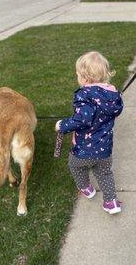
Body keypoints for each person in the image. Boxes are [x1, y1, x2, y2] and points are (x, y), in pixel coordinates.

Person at [55, 51, 123, 214]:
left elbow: (82, 120)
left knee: (75, 167)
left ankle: (86, 188)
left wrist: (62, 125)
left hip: (83, 151)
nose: (77, 77)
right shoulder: (112, 96)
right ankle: (111, 203)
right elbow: (116, 110)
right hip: (104, 151)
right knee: (105, 173)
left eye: (78, 74)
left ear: (85, 78)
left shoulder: (84, 95)